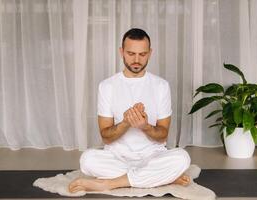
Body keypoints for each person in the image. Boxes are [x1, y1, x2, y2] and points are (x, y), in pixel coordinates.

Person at [69, 28, 191, 193]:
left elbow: (163, 135)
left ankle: (111, 183)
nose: (136, 60)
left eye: (142, 54)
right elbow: (106, 137)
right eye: (131, 53)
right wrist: (126, 122)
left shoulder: (161, 86)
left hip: (152, 156)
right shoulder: (107, 86)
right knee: (87, 160)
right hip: (118, 156)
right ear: (121, 52)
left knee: (182, 158)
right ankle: (161, 178)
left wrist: (145, 126)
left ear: (150, 53)